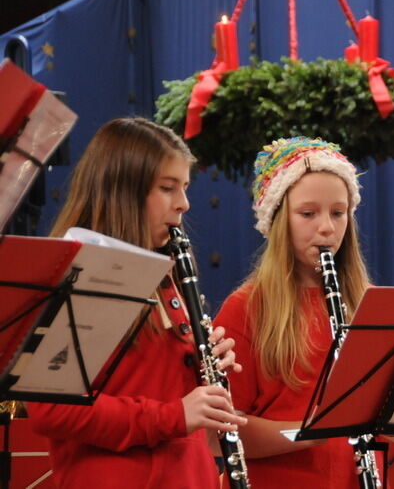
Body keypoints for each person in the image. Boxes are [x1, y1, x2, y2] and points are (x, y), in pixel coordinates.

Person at [27, 117, 247, 488]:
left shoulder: (166, 269)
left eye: (185, 188)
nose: (184, 204)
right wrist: (173, 415)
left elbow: (156, 384)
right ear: (123, 190)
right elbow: (51, 411)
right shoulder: (83, 272)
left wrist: (201, 364)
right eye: (167, 188)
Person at [213, 137, 373, 488]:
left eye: (338, 212)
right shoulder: (247, 307)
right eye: (307, 213)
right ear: (278, 220)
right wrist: (307, 433)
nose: (327, 228)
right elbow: (218, 433)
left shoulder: (367, 304)